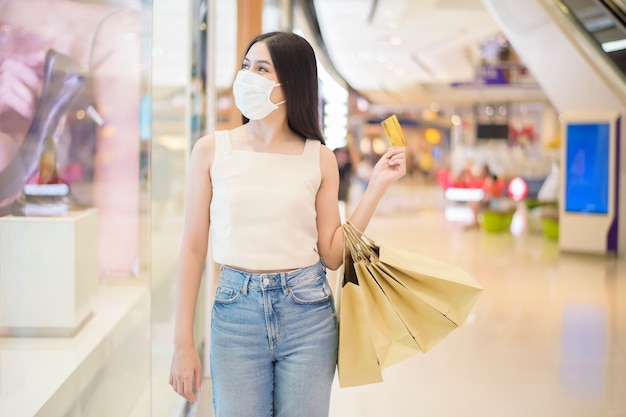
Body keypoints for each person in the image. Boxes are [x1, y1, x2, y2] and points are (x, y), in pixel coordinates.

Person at [168, 31, 406, 417]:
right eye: (246, 66)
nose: (247, 76)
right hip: (235, 313)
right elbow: (193, 247)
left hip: (307, 313)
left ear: (290, 83)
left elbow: (331, 254)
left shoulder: (319, 157)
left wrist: (377, 185)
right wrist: (182, 342)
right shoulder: (212, 151)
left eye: (261, 68)